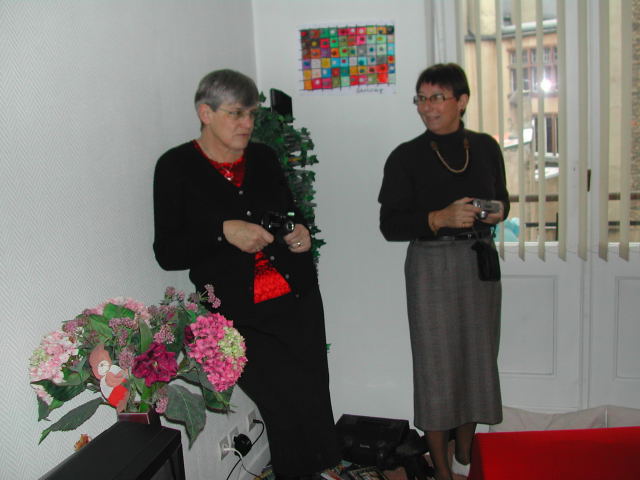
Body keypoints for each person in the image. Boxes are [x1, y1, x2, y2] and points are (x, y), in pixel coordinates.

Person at [153, 69, 340, 480]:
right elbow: (167, 252)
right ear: (205, 113)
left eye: (251, 114)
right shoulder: (175, 167)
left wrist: (300, 232)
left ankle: (321, 470)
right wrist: (223, 232)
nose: (247, 123)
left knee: (312, 395)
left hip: (296, 298)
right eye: (236, 113)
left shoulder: (263, 158)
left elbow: (290, 212)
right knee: (281, 404)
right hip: (238, 313)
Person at [378, 63, 509, 480]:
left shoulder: (485, 147)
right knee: (436, 367)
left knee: (477, 359)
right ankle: (442, 470)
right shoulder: (405, 156)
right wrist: (438, 218)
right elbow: (390, 225)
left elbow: (503, 200)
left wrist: (497, 211)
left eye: (436, 97)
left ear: (461, 101)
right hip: (431, 265)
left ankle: (464, 454)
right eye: (421, 98)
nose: (426, 107)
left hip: (479, 259)